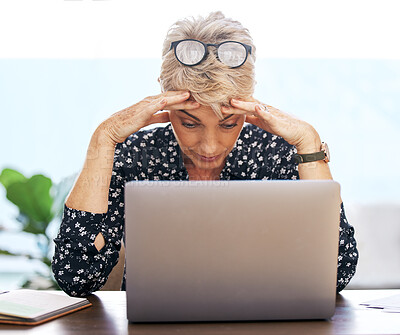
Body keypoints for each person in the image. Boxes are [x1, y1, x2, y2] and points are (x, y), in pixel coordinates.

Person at [52, 11, 358, 297]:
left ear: (247, 104)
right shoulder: (137, 155)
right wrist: (102, 140)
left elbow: (336, 274)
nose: (210, 146)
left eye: (228, 123)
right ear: (166, 102)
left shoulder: (275, 152)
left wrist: (308, 142)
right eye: (189, 123)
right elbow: (77, 276)